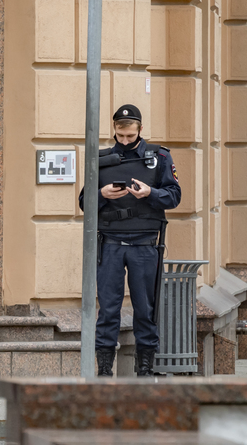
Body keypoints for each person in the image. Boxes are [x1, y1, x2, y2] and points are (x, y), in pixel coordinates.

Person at [79, 104, 181, 377]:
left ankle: (145, 367)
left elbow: (174, 196)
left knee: (145, 309)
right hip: (110, 244)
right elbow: (82, 202)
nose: (124, 142)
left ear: (140, 130)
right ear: (114, 130)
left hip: (145, 245)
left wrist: (150, 193)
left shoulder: (159, 158)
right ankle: (103, 369)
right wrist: (100, 194)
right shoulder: (101, 158)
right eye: (120, 136)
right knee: (108, 309)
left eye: (130, 136)